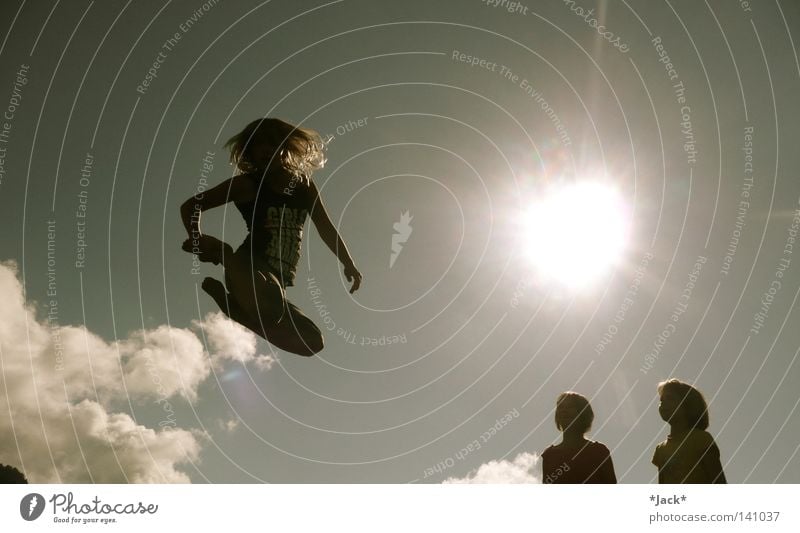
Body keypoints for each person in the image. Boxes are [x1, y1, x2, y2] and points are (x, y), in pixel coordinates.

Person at [180, 118, 362, 357]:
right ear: (250, 153)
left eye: (272, 143)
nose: (266, 149)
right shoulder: (248, 185)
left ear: (285, 148)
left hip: (276, 284)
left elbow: (325, 227)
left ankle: (237, 311)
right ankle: (223, 253)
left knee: (312, 342)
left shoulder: (304, 187)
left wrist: (348, 262)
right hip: (247, 270)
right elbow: (192, 206)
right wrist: (198, 241)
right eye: (258, 145)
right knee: (270, 304)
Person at [652, 378, 727, 483]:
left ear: (687, 404)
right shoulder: (660, 450)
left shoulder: (701, 439)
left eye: (670, 398)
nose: (663, 403)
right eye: (661, 400)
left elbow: (719, 480)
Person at [541, 391, 616, 483]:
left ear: (583, 414)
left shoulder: (599, 451)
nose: (564, 410)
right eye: (561, 407)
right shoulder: (549, 455)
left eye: (570, 407)